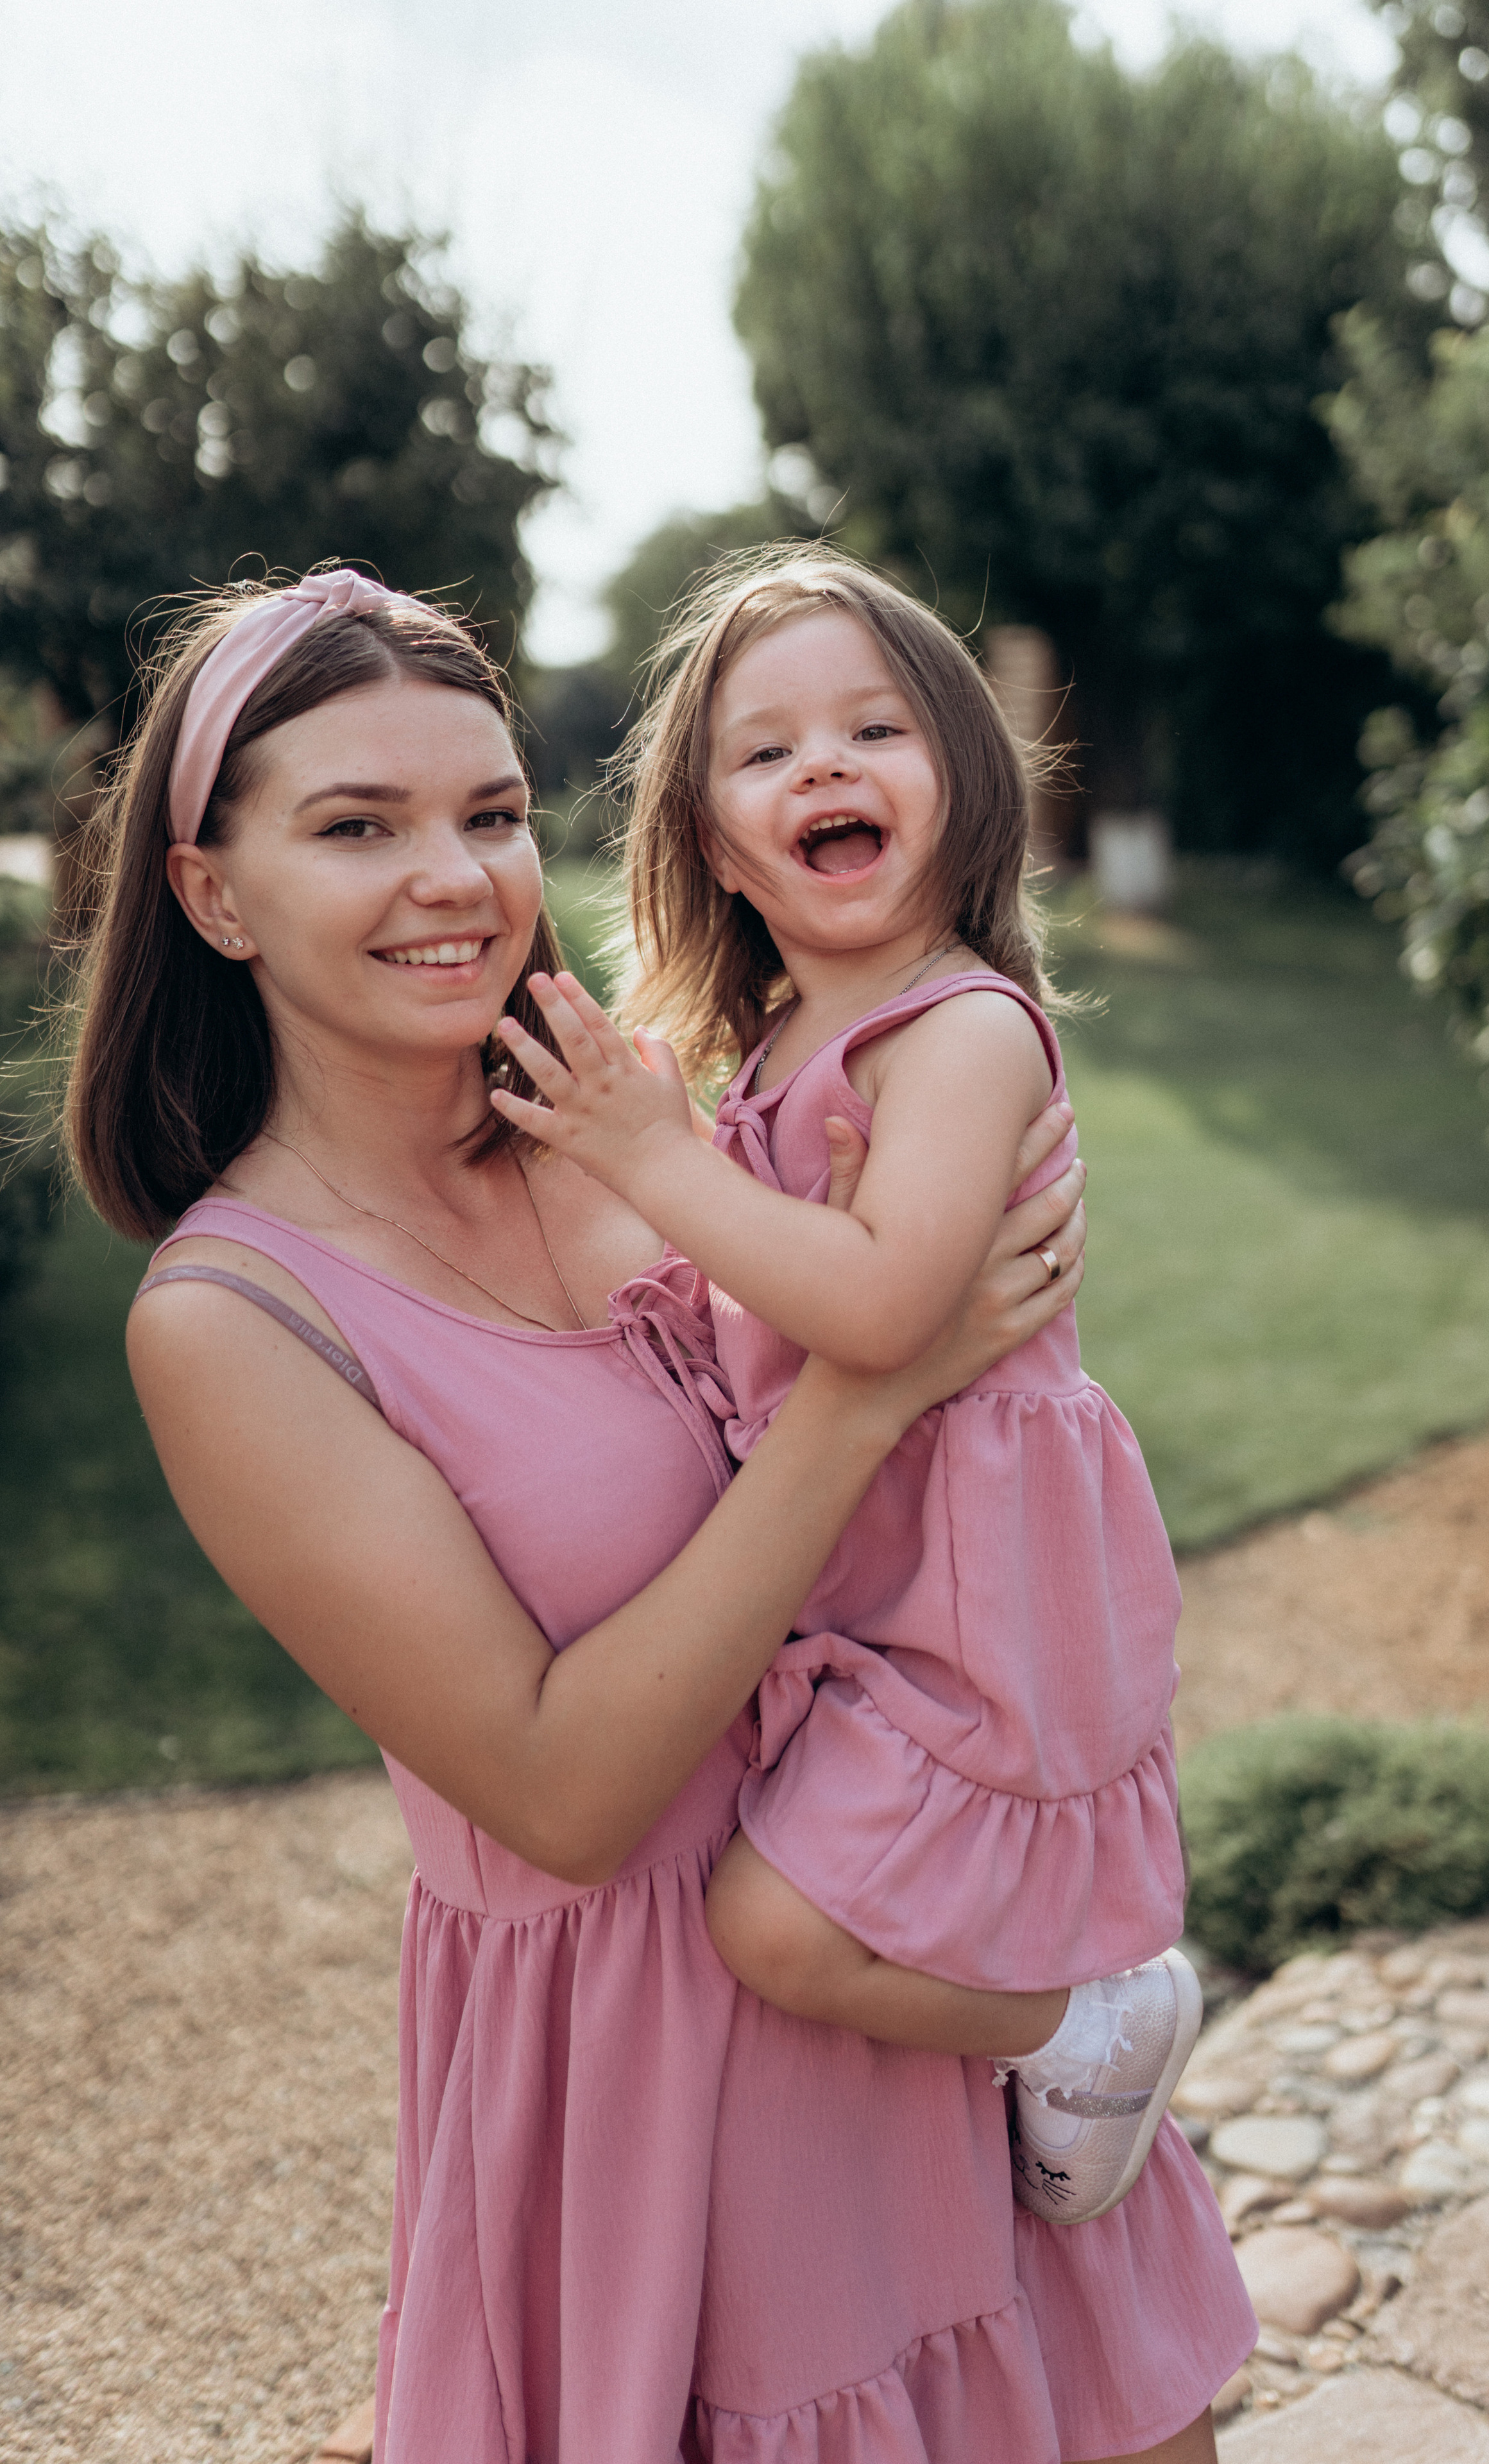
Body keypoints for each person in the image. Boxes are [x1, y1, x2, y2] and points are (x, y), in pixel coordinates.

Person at [64, 567, 1253, 2463]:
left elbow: (910, 1248)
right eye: (356, 826)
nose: (452, 876)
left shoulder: (630, 1115)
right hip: (663, 2097)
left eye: (492, 814)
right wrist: (875, 1392)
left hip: (908, 1936)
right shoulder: (235, 1326)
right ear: (215, 891)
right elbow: (561, 1790)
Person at [489, 549, 1204, 2227]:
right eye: (766, 751)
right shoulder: (778, 1059)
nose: (823, 766)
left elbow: (885, 1309)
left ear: (958, 785)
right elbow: (770, 1298)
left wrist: (656, 1162)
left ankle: (1092, 2016)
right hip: (877, 1572)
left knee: (774, 1924)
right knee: (802, 1899)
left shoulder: (964, 1033)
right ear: (718, 849)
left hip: (979, 1595)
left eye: (874, 727)